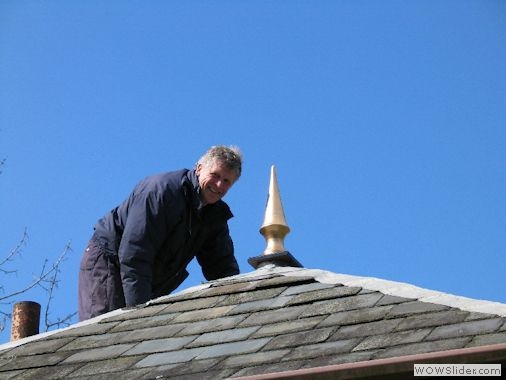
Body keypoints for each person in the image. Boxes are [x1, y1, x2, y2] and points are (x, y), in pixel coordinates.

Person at [78, 145, 242, 321]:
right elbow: (135, 252)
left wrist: (239, 307)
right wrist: (139, 313)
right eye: (215, 175)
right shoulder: (162, 192)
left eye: (226, 181)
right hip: (111, 263)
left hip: (146, 276)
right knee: (105, 333)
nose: (219, 185)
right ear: (199, 168)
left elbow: (221, 267)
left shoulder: (214, 216)